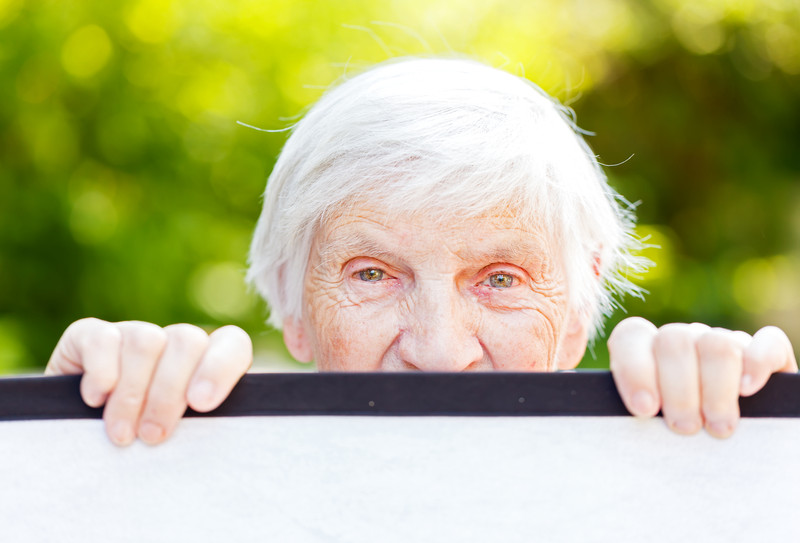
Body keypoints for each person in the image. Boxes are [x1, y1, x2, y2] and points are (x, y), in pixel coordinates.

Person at [45, 57, 797, 446]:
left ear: (574, 316)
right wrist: (63, 463)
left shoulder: (678, 482)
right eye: (371, 273)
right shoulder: (186, 494)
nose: (438, 352)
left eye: (500, 278)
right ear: (294, 309)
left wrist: (758, 459)